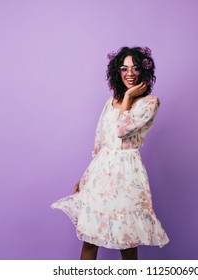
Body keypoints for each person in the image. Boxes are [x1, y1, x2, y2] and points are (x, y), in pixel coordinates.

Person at [51, 46, 169, 260]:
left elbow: (123, 130)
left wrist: (128, 97)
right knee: (90, 239)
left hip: (127, 175)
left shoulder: (150, 103)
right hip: (102, 175)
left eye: (134, 68)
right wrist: (86, 178)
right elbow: (100, 144)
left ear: (144, 71)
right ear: (117, 72)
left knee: (128, 242)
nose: (130, 73)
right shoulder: (109, 103)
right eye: (124, 69)